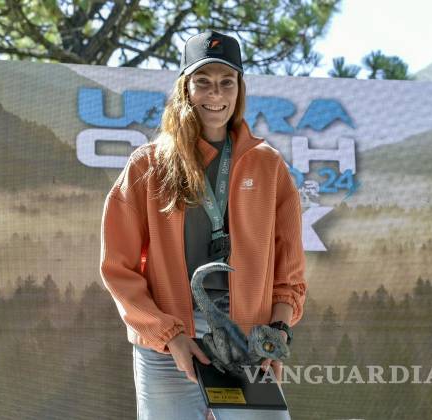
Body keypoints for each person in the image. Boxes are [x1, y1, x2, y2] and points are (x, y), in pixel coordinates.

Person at [99, 29, 307, 420]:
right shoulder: (148, 165)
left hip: (247, 342)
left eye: (227, 82)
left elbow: (289, 274)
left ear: (239, 90)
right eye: (203, 81)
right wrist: (169, 336)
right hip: (168, 344)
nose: (216, 94)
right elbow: (118, 269)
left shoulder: (269, 166)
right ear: (185, 88)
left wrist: (275, 334)